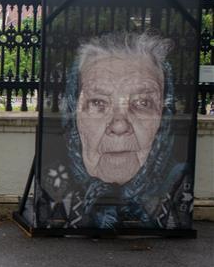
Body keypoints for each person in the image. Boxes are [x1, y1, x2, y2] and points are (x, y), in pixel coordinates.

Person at [39, 31, 193, 229]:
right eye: (98, 102)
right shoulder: (50, 190)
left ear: (163, 116)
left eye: (142, 102)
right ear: (73, 115)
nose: (119, 126)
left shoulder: (180, 188)